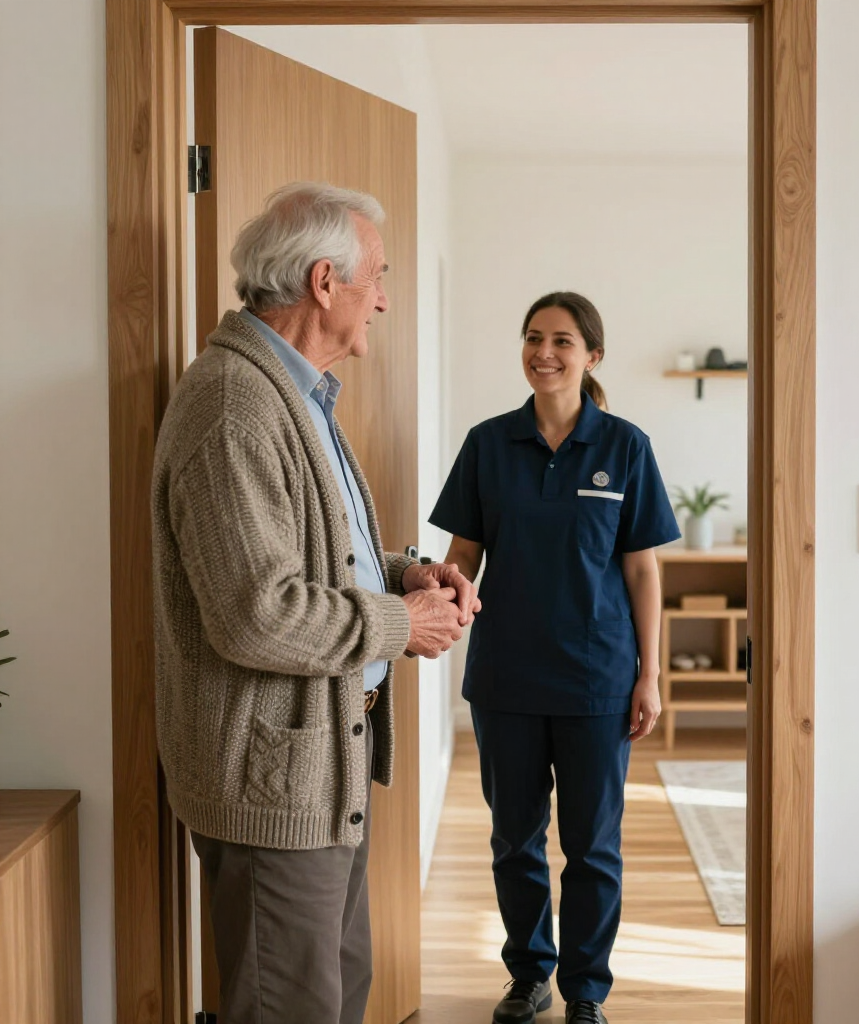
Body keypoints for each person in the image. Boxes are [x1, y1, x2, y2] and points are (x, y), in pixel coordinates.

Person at [152, 181, 479, 1024]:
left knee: (336, 992)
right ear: (325, 281)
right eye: (377, 275)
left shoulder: (294, 393)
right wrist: (405, 624)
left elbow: (317, 551)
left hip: (321, 769)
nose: (385, 297)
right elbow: (256, 612)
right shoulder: (236, 404)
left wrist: (402, 571)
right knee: (292, 1007)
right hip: (272, 785)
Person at [429, 292, 681, 1024]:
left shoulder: (624, 447)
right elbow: (463, 555)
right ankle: (529, 974)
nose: (546, 352)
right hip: (505, 676)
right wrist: (435, 618)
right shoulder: (488, 443)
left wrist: (651, 675)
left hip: (597, 677)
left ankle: (586, 992)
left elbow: (642, 570)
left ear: (591, 356)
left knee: (593, 846)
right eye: (534, 338)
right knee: (515, 839)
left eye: (563, 341)